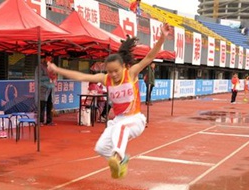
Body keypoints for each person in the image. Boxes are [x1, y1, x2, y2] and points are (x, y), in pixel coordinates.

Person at [48, 23, 171, 179]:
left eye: (116, 71)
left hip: (135, 120)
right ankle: (121, 162)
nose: (113, 74)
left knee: (121, 127)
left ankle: (117, 156)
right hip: (118, 120)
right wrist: (57, 70)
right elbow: (81, 76)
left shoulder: (131, 74)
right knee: (100, 147)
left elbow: (150, 57)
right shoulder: (105, 79)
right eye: (109, 71)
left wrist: (162, 37)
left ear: (123, 67)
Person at [36, 54, 56, 126]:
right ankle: (40, 121)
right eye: (48, 58)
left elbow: (54, 76)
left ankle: (49, 121)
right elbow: (39, 78)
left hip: (51, 88)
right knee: (42, 105)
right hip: (43, 89)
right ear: (45, 58)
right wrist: (48, 77)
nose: (49, 59)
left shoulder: (52, 66)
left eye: (51, 58)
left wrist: (54, 77)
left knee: (50, 105)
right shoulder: (40, 66)